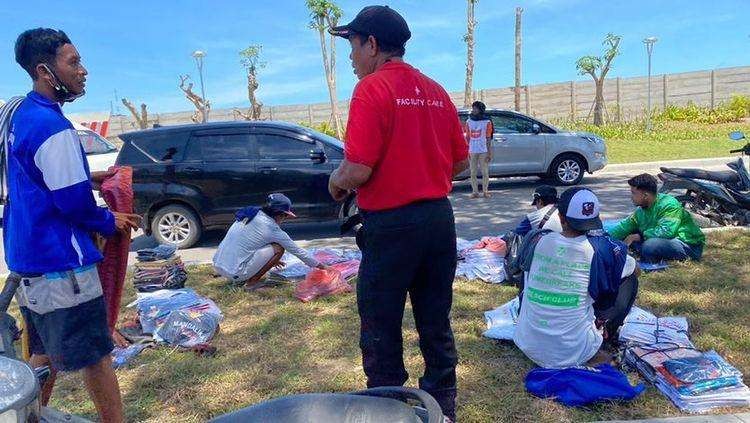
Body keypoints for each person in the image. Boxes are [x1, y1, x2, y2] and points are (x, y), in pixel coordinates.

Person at [327, 6, 469, 421]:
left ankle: (388, 409)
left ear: (371, 44)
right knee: (434, 318)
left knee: (380, 323)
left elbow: (357, 170)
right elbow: (459, 164)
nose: (351, 57)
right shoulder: (436, 91)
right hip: (438, 222)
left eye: (352, 45)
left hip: (391, 227)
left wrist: (336, 181)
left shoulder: (372, 90)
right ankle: (443, 405)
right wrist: (421, 164)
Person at [4, 28, 141, 422]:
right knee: (96, 356)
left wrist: (90, 179)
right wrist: (108, 218)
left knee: (42, 351)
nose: (83, 71)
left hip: (29, 261)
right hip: (62, 264)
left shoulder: (22, 116)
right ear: (46, 71)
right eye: (74, 62)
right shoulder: (53, 127)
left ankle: (24, 416)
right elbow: (73, 205)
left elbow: (37, 180)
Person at [513, 187, 640, 369]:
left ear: (561, 218)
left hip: (527, 343)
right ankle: (605, 332)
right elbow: (636, 269)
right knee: (629, 280)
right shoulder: (601, 250)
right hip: (574, 351)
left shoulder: (540, 241)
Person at [212, 193, 329, 291]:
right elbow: (299, 252)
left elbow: (251, 242)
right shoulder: (271, 228)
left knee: (270, 247)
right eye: (285, 216)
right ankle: (251, 284)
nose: (284, 220)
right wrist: (323, 267)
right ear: (280, 214)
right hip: (235, 273)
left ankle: (244, 276)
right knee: (279, 248)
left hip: (218, 265)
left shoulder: (251, 214)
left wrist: (269, 260)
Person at [608, 173, 705, 263]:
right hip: (664, 240)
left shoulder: (669, 205)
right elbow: (623, 227)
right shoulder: (641, 211)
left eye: (633, 193)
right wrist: (604, 239)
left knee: (650, 245)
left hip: (688, 245)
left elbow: (666, 232)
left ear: (645, 195)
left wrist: (639, 236)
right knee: (623, 235)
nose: (631, 197)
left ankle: (647, 258)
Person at [464, 101, 493, 198]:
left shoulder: (487, 121)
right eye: (473, 108)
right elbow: (468, 136)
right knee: (473, 172)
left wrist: (489, 152)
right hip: (472, 149)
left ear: (480, 109)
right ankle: (475, 192)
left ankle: (485, 191)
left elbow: (488, 137)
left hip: (483, 150)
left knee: (485, 172)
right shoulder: (468, 121)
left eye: (476, 108)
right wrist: (467, 149)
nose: (474, 110)